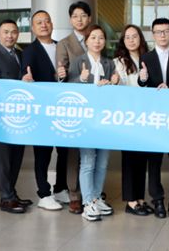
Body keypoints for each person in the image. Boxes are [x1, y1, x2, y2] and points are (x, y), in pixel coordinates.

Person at [69, 24, 119, 222]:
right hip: (86, 119)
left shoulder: (109, 63)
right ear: (86, 41)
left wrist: (114, 83)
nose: (97, 41)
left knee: (103, 162)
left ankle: (96, 197)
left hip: (104, 119)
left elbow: (115, 92)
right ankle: (87, 202)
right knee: (88, 161)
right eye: (93, 38)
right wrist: (81, 80)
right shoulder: (78, 61)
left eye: (101, 38)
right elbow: (66, 88)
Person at [137, 18, 169, 218]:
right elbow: (142, 84)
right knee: (154, 160)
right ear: (153, 35)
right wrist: (143, 79)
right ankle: (157, 200)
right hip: (154, 116)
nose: (163, 35)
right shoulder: (146, 58)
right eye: (158, 32)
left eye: (166, 31)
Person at [0, 19, 31, 214]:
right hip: (2, 115)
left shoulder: (20, 54)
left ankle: (12, 192)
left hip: (20, 114)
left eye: (13, 32)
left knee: (17, 156)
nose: (10, 35)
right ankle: (5, 198)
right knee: (4, 158)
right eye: (6, 32)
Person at [20, 10, 65, 212]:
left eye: (47, 21)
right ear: (33, 28)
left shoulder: (60, 47)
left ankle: (61, 187)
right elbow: (26, 77)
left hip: (63, 108)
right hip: (43, 110)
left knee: (65, 150)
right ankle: (44, 193)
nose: (44, 25)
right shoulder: (29, 51)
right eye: (39, 22)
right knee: (43, 153)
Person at [55, 1, 92, 214]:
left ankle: (91, 191)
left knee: (92, 149)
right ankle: (74, 194)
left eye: (83, 15)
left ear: (89, 18)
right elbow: (60, 73)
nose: (79, 19)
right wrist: (62, 76)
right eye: (75, 16)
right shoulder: (65, 43)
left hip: (95, 103)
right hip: (75, 102)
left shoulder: (96, 38)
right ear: (70, 19)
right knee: (74, 152)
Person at [115, 24, 154, 216]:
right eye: (127, 37)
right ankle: (131, 201)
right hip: (129, 117)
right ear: (123, 40)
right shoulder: (118, 62)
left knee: (141, 159)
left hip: (146, 117)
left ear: (141, 39)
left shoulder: (148, 58)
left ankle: (140, 198)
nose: (131, 40)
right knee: (130, 160)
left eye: (135, 36)